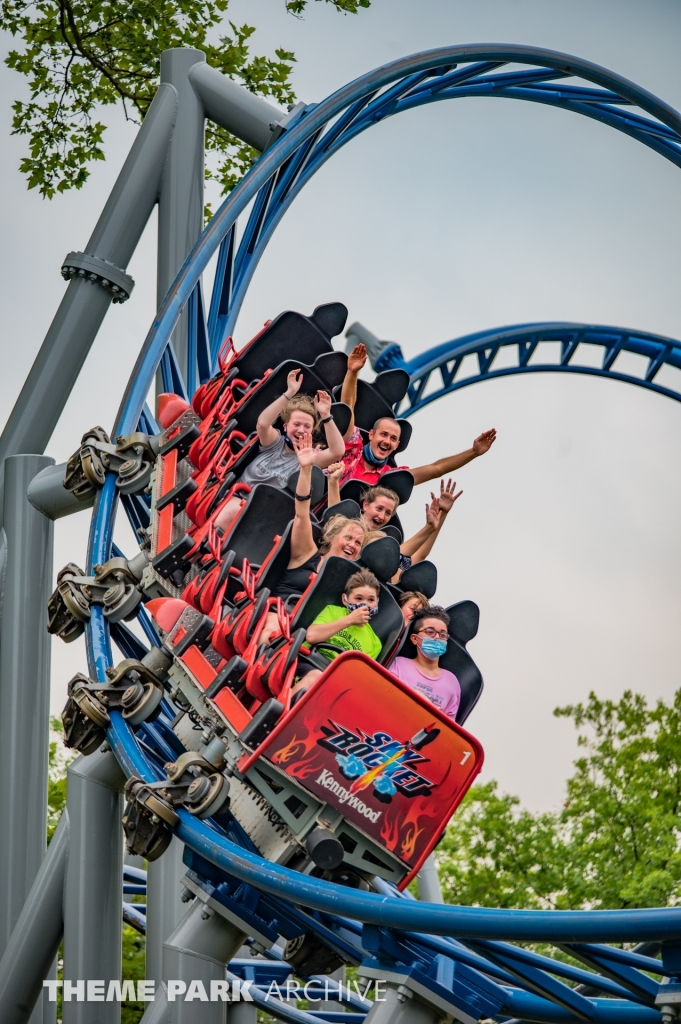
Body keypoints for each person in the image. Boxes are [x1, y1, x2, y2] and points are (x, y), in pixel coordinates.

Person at [256, 435, 369, 645]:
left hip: (306, 638)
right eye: (348, 538)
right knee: (273, 630)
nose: (352, 545)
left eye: (358, 543)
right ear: (332, 537)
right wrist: (306, 470)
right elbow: (301, 513)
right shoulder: (308, 555)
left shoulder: (345, 585)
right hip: (276, 614)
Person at [339, 343, 496, 487]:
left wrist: (473, 452)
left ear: (397, 446)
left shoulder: (388, 477)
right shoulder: (353, 447)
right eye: (384, 434)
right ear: (372, 434)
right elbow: (348, 406)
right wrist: (352, 371)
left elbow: (436, 469)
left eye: (393, 439)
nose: (387, 441)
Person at [215, 368, 344, 531]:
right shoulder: (274, 441)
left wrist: (326, 415)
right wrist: (290, 392)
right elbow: (262, 424)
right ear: (285, 426)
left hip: (263, 517)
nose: (301, 430)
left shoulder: (310, 457)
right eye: (296, 424)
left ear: (312, 432)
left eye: (307, 426)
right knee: (232, 513)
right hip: (239, 497)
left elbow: (337, 451)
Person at [327, 465, 462, 573]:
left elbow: (417, 556)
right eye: (379, 509)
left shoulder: (380, 541)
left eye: (387, 513)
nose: (381, 516)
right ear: (366, 504)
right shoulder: (347, 523)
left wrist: (437, 519)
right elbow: (334, 517)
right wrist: (333, 481)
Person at [290, 568, 382, 700]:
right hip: (308, 661)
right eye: (358, 598)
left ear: (377, 603)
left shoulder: (375, 643)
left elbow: (357, 679)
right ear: (345, 600)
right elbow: (311, 636)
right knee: (316, 676)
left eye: (371, 600)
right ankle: (277, 718)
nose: (365, 605)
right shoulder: (332, 611)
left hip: (334, 682)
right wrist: (349, 620)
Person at [388, 605, 461, 721]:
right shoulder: (398, 664)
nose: (437, 637)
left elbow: (447, 728)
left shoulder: (452, 682)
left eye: (442, 635)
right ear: (414, 638)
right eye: (430, 632)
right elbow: (385, 699)